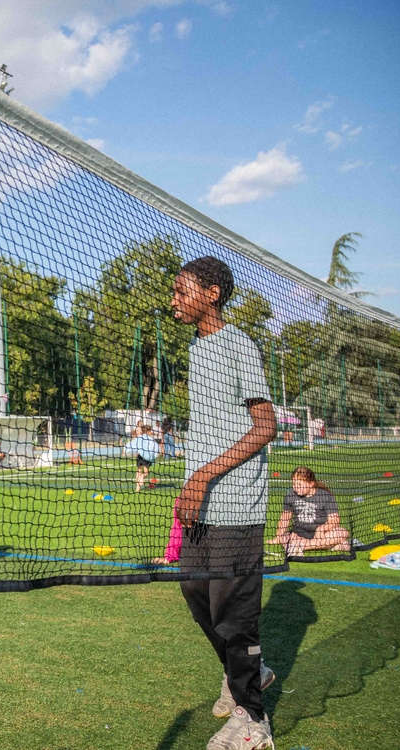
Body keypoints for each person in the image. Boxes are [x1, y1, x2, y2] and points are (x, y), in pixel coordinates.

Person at [170, 256, 277, 747]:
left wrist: (204, 478)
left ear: (211, 294)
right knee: (196, 597)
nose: (173, 299)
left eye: (181, 290)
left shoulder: (239, 344)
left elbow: (265, 426)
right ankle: (244, 671)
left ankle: (254, 720)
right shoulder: (196, 348)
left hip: (235, 503)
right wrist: (191, 485)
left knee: (234, 615)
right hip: (200, 504)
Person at [268, 467, 349, 556]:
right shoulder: (291, 494)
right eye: (294, 484)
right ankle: (328, 546)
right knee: (284, 538)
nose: (295, 487)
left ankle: (300, 546)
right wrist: (278, 537)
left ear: (311, 484)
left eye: (299, 485)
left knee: (342, 532)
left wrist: (321, 529)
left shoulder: (325, 496)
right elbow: (285, 517)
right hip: (299, 533)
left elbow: (335, 520)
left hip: (322, 534)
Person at [126, 424, 160, 492]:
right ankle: (142, 477)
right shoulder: (150, 439)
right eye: (150, 431)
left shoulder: (140, 438)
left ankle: (137, 488)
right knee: (146, 473)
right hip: (146, 457)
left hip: (139, 456)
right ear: (148, 431)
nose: (151, 432)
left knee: (138, 471)